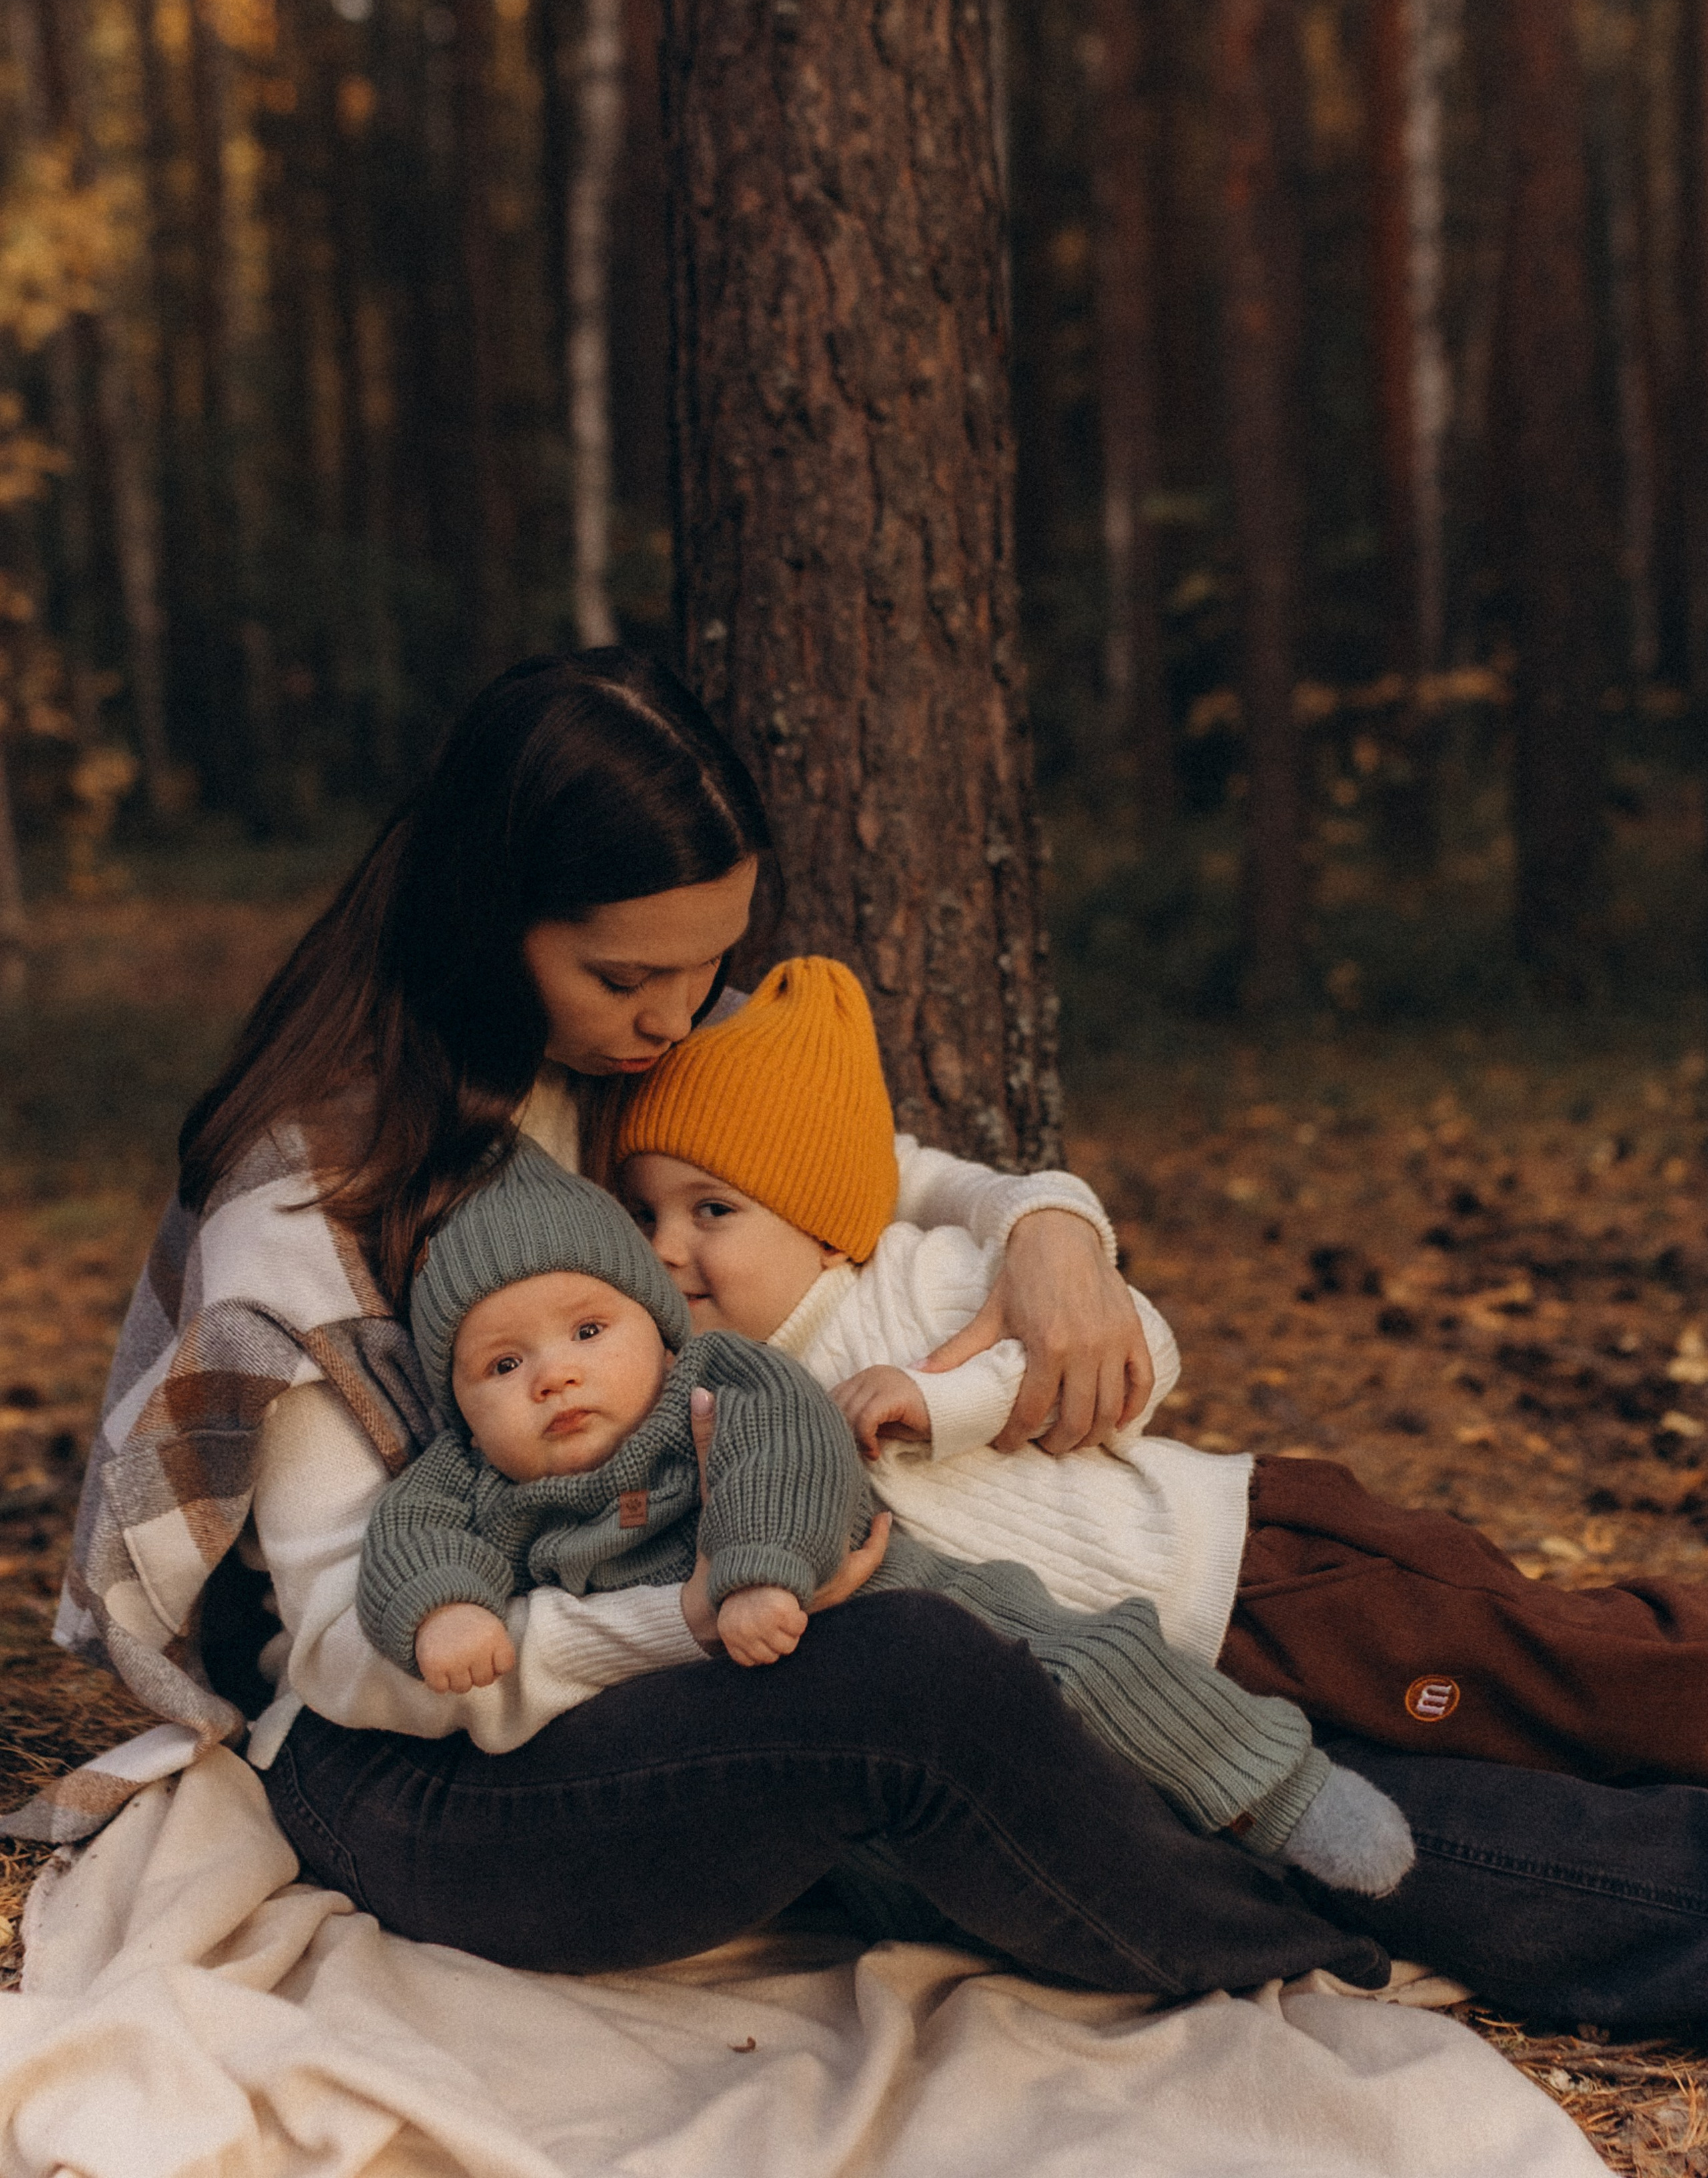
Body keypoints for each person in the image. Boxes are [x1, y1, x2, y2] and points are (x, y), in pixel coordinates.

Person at [31, 649, 1708, 2027]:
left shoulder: (611, 1059)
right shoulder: (310, 1206)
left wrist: (1051, 1223)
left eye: (710, 966)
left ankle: (1603, 1890)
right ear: (489, 917)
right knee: (927, 1684)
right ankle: (1317, 1941)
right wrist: (695, 1617)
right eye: (631, 972)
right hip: (439, 1765)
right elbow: (349, 1658)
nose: (678, 1018)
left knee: (1184, 1654)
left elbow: (879, 1172)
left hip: (710, 1614)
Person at [610, 954, 1708, 1797]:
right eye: (646, 1212)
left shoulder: (908, 1282)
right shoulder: (729, 1398)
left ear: (822, 1217)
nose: (667, 1246)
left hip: (1251, 1568)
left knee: (1556, 1662)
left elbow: (1136, 1340)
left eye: (714, 1211)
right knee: (1486, 1742)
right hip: (1192, 1677)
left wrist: (937, 1403)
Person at [356, 1140, 1414, 1892]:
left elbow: (796, 1445)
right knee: (901, 1843)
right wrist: (445, 1611)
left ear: (654, 1321)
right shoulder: (477, 1478)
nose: (555, 1377)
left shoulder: (716, 1379)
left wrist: (760, 1565)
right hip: (748, 1721)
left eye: (588, 1328)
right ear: (459, 1401)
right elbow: (414, 1536)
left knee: (1081, 1660)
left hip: (889, 1596)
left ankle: (1283, 1792)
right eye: (504, 1363)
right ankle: (1160, 1864)